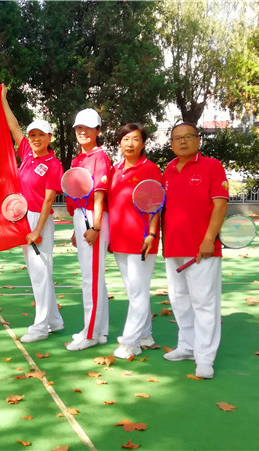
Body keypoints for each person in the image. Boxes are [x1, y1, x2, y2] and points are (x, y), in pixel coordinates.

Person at [162, 122, 228, 379]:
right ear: (171, 143)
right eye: (177, 138)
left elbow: (220, 205)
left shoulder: (212, 166)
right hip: (173, 246)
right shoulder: (168, 170)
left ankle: (205, 357)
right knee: (179, 300)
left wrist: (209, 239)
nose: (182, 141)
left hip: (203, 249)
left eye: (188, 136)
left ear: (198, 140)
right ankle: (187, 346)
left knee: (204, 303)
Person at [0, 86, 64, 343]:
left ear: (49, 137)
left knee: (40, 273)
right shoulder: (27, 152)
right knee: (39, 271)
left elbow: (49, 199)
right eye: (32, 135)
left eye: (41, 135)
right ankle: (54, 321)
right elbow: (14, 127)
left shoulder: (53, 164)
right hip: (25, 216)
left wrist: (37, 229)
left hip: (39, 219)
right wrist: (2, 99)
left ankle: (40, 327)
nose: (36, 139)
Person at [107, 123, 162, 360]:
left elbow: (157, 204)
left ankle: (130, 343)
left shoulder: (150, 169)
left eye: (135, 139)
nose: (130, 144)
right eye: (126, 139)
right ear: (120, 143)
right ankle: (145, 336)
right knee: (133, 291)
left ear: (143, 144)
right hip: (120, 239)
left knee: (138, 292)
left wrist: (152, 234)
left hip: (142, 239)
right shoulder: (115, 169)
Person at [66, 108, 111, 351]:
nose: (82, 132)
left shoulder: (100, 157)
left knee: (91, 279)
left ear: (98, 131)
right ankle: (99, 331)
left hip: (94, 217)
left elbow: (99, 195)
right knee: (93, 277)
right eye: (79, 128)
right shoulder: (78, 160)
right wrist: (77, 229)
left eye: (88, 128)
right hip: (81, 217)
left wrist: (95, 226)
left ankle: (91, 333)